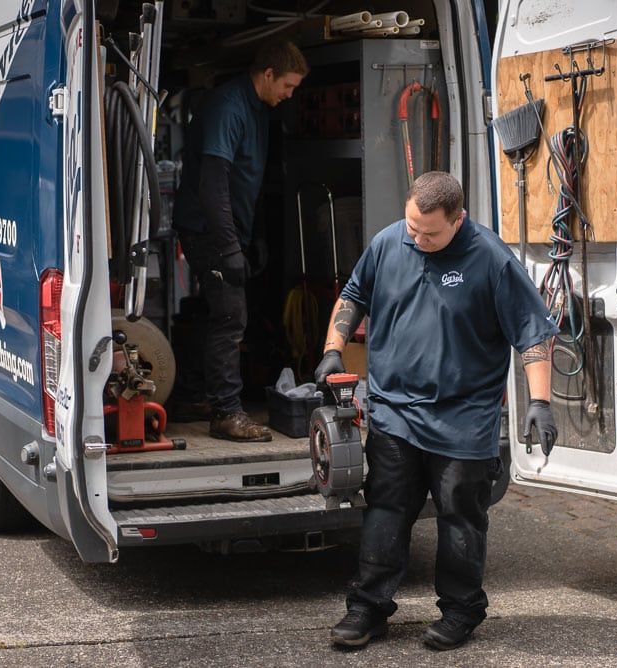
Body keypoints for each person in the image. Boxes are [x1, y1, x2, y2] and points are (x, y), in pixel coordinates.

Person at [314, 171, 559, 650]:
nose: (418, 238)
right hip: (394, 413)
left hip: (463, 420)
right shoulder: (389, 243)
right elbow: (354, 294)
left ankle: (462, 611)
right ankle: (368, 608)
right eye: (412, 227)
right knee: (385, 511)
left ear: (458, 219)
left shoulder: (490, 258)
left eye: (430, 232)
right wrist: (333, 348)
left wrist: (541, 403)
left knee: (461, 520)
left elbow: (533, 333)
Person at [172, 41, 308, 442]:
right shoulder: (228, 106)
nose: (290, 94)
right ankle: (227, 414)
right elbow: (213, 185)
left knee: (212, 311)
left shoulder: (260, 110)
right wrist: (229, 247)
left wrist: (257, 235)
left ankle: (192, 394)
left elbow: (251, 179)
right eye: (287, 85)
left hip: (232, 230)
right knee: (232, 316)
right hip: (206, 229)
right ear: (267, 75)